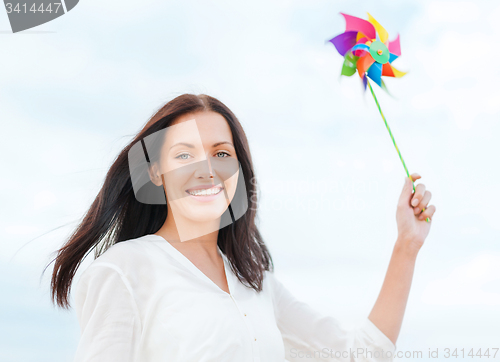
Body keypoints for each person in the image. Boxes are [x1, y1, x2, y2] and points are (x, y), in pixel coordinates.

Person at [48, 94, 436, 362]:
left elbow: (360, 354)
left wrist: (407, 245)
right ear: (156, 173)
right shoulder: (125, 269)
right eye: (184, 154)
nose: (207, 168)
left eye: (221, 153)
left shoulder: (256, 283)